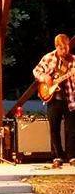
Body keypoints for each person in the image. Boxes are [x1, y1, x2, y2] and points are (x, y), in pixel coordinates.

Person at [33, 34, 75, 168]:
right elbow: (36, 71)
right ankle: (57, 156)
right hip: (53, 99)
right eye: (62, 49)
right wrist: (45, 77)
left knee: (71, 129)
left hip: (69, 98)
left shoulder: (73, 60)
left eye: (67, 48)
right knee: (54, 128)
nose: (65, 51)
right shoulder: (48, 58)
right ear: (57, 47)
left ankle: (72, 156)